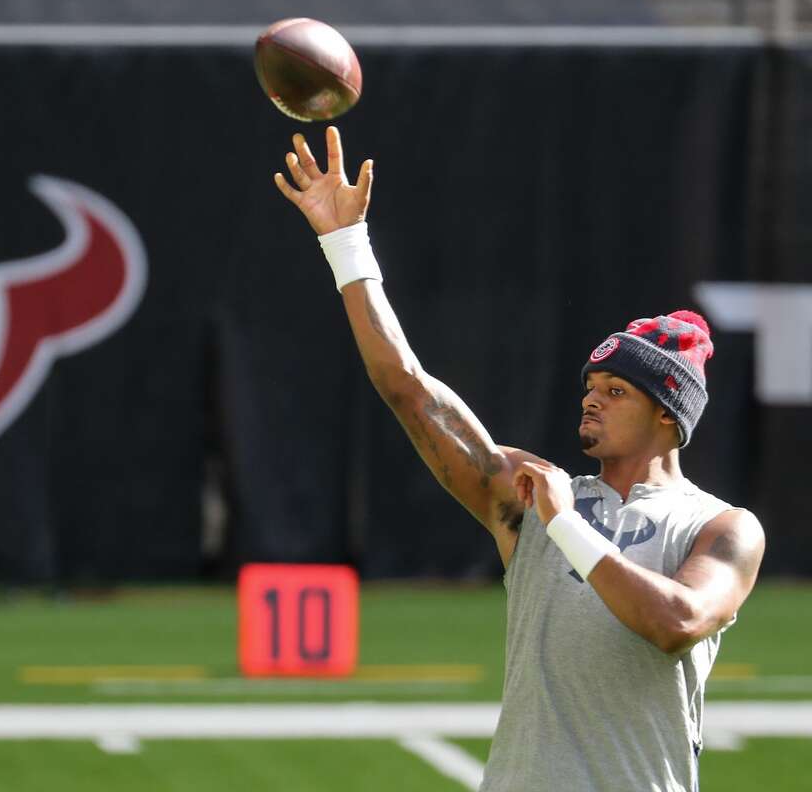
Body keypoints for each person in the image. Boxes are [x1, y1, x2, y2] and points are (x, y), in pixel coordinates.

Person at [274, 126, 765, 791]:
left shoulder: (723, 526)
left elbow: (675, 623)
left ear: (667, 415)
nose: (591, 402)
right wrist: (345, 243)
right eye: (590, 388)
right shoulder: (533, 490)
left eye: (616, 391)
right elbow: (411, 392)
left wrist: (565, 525)